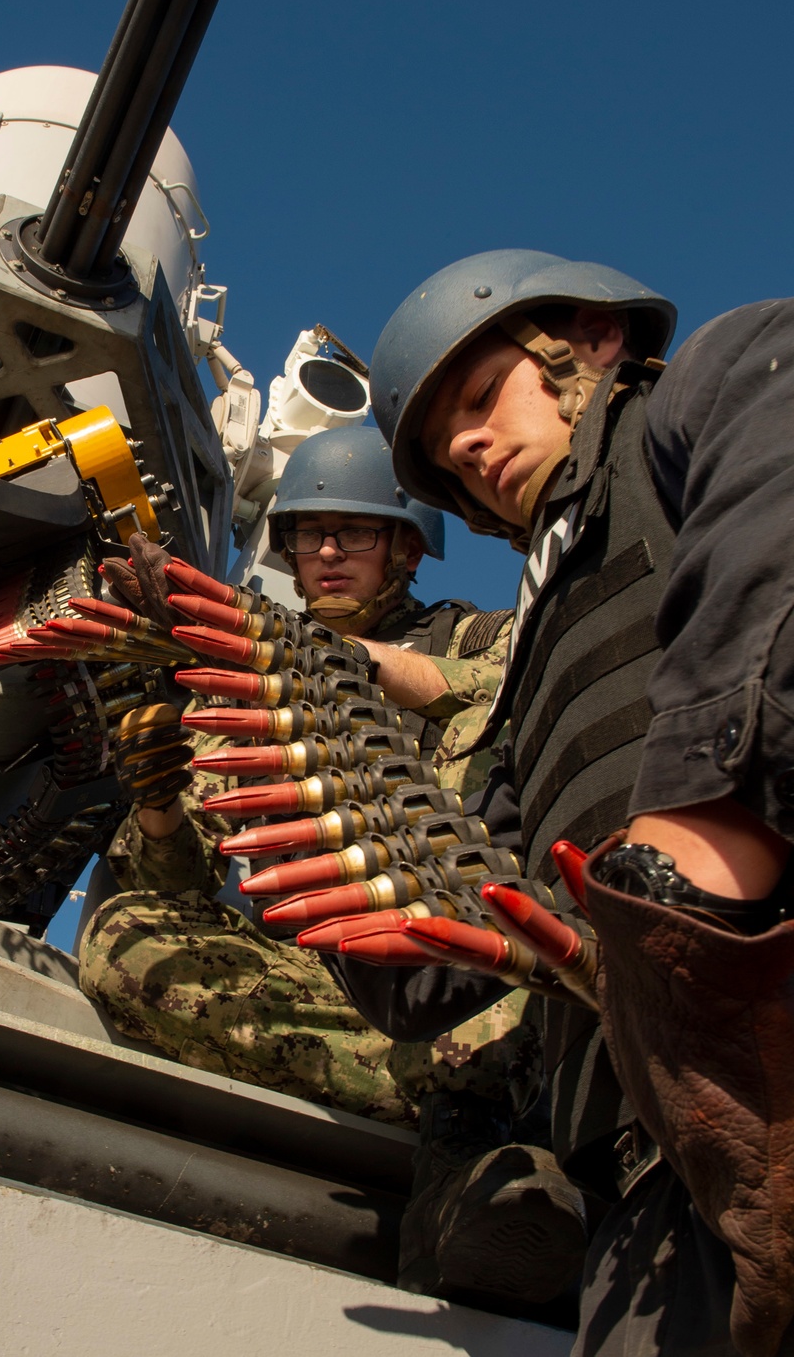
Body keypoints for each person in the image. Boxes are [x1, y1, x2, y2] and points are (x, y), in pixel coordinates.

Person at [322, 247, 794, 1355]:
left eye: (483, 400)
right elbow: (437, 964)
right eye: (447, 452)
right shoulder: (532, 659)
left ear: (585, 342)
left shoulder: (710, 386)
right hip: (642, 1182)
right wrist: (300, 803)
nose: (472, 448)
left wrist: (692, 867)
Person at [78, 425, 587, 1302]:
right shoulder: (235, 682)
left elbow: (545, 663)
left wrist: (369, 669)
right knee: (123, 938)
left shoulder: (479, 638)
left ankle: (487, 1077)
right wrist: (157, 794)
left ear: (404, 545)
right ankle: (450, 1079)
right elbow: (185, 882)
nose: (326, 552)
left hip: (471, 960)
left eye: (353, 531)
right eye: (310, 534)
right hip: (336, 986)